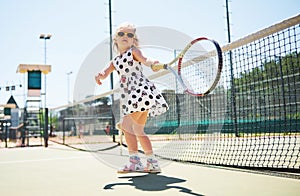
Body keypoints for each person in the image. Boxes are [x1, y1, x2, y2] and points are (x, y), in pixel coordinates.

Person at [95, 23, 168, 173]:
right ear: (115, 39)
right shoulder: (115, 61)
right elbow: (105, 72)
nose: (125, 37)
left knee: (126, 126)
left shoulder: (133, 51)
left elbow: (145, 59)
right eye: (122, 34)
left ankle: (134, 162)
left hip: (140, 92)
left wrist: (153, 63)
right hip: (131, 97)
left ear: (133, 39)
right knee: (138, 131)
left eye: (130, 35)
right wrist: (99, 75)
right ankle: (152, 163)